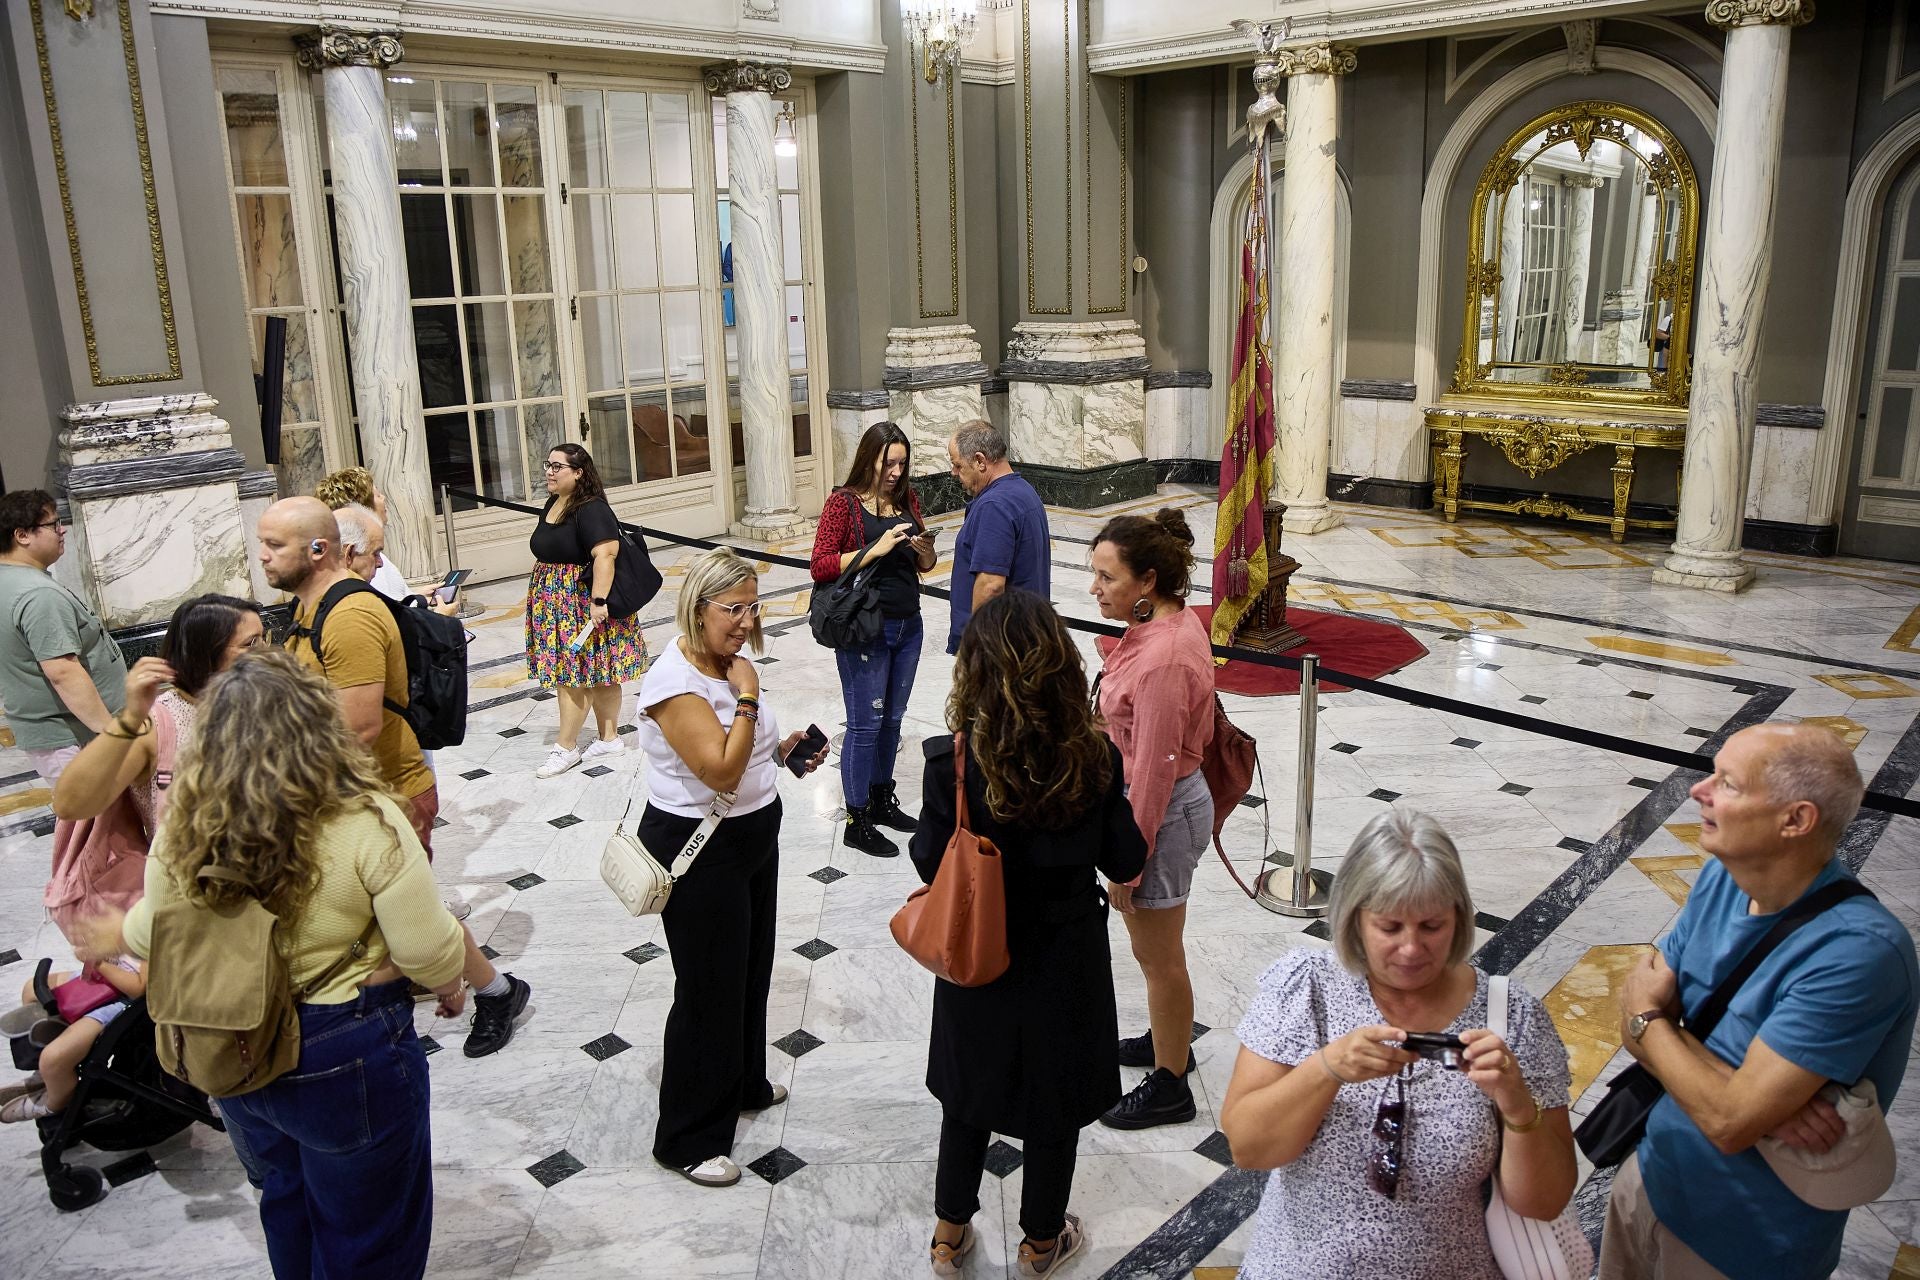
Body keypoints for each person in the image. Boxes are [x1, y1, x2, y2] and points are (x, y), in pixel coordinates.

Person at [77, 650, 467, 1279]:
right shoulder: (364, 818)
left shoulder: (187, 823)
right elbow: (426, 949)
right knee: (369, 1230)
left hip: (232, 1043)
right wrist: (445, 979)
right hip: (341, 1043)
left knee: (287, 1198)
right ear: (317, 723)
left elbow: (154, 932)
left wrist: (111, 932)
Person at [1599, 722, 1920, 1280]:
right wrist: (1740, 1093)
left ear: (1795, 820)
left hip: (1744, 1242)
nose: (1699, 791)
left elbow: (1726, 1121)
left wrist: (1656, 1021)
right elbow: (1630, 1023)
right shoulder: (1720, 879)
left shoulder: (1859, 953)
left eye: (1728, 783)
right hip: (1651, 1176)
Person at [1221, 808, 1576, 1279]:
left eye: (1431, 927)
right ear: (1354, 920)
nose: (1411, 949)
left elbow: (1544, 1202)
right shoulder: (1307, 988)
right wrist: (1325, 1069)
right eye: (1389, 928)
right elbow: (1248, 1147)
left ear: (1459, 919)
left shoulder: (1512, 1017)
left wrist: (1516, 1104)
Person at [914, 589, 1147, 1279]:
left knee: (968, 1098)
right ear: (1060, 665)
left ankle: (949, 1239)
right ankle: (1041, 1245)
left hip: (977, 950)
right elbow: (1126, 858)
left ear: (976, 669)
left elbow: (930, 861)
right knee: (1055, 1107)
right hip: (1064, 955)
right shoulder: (1093, 758)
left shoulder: (952, 761)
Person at [258, 497, 531, 1058]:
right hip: (345, 794)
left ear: (319, 549)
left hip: (386, 793)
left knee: (411, 910)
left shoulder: (350, 616)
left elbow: (357, 727)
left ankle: (496, 992)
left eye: (273, 546)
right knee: (382, 912)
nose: (262, 557)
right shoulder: (309, 608)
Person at [634, 547, 827, 1187]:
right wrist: (747, 698)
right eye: (733, 609)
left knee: (750, 969)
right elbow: (717, 768)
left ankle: (741, 1081)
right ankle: (687, 1137)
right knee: (707, 988)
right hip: (698, 845)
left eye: (752, 606)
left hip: (750, 834)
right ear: (699, 607)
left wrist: (784, 748)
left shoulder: (725, 663)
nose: (745, 621)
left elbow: (747, 754)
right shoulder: (675, 682)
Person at [1089, 510, 1217, 1130]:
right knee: (1154, 953)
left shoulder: (1165, 656)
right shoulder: (1159, 629)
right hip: (1158, 805)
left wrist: (1128, 863)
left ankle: (1170, 1084)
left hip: (1160, 816)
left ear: (1146, 582)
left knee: (1158, 955)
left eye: (1106, 578)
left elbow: (1156, 773)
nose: (1096, 589)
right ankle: (1169, 1041)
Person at [0, 489, 140, 942]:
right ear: (21, 535)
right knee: (98, 837)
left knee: (91, 832)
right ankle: (105, 934)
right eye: (52, 524)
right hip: (73, 735)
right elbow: (62, 670)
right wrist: (112, 730)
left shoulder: (7, 581)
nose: (62, 531)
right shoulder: (36, 594)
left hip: (52, 734)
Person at [809, 421, 937, 858]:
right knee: (866, 725)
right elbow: (821, 565)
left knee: (893, 721)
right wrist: (875, 548)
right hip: (866, 628)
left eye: (902, 463)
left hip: (908, 624)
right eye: (889, 462)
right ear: (869, 458)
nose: (897, 472)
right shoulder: (842, 504)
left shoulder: (907, 499)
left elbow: (926, 567)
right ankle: (856, 817)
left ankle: (882, 799)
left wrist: (923, 551)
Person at [51, 594, 264, 827]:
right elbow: (70, 804)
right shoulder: (157, 725)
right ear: (205, 653)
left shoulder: (258, 703)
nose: (266, 652)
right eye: (251, 643)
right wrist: (130, 720)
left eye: (264, 638)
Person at [527, 443, 648, 779]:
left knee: (572, 676)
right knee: (599, 673)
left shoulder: (591, 508)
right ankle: (609, 738)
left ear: (578, 473)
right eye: (547, 465)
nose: (549, 472)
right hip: (554, 599)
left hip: (581, 603)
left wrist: (597, 603)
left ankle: (566, 748)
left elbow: (606, 555)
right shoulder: (554, 502)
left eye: (557, 467)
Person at [944, 421, 1049, 655]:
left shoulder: (995, 505)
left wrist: (979, 651)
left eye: (957, 465)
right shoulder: (1024, 492)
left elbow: (991, 585)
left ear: (980, 461)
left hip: (1001, 648)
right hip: (1027, 637)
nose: (953, 473)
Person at [0, 957, 144, 1123]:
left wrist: (99, 962)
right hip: (106, 974)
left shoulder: (156, 936)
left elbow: (139, 988)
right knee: (30, 989)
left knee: (52, 1058)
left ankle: (54, 1105)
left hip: (126, 997)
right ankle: (53, 1074)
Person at [334, 503, 458, 616]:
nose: (380, 563)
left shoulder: (352, 595)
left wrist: (414, 596)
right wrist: (441, 621)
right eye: (375, 554)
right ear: (349, 554)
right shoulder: (351, 608)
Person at [316, 467, 410, 599]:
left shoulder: (373, 557)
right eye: (377, 495)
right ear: (363, 505)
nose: (383, 498)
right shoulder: (365, 564)